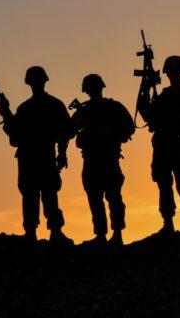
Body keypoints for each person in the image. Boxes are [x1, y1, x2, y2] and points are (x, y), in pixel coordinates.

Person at [2, 66, 73, 245]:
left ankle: (53, 232)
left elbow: (65, 132)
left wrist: (62, 153)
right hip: (30, 157)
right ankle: (33, 233)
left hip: (42, 155)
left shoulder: (50, 105)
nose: (36, 84)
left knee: (47, 194)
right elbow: (14, 135)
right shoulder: (27, 108)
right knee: (31, 195)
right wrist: (5, 111)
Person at [137, 56, 180, 233]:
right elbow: (147, 113)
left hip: (177, 141)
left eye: (176, 71)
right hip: (161, 143)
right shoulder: (162, 95)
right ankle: (168, 222)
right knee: (164, 184)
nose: (173, 75)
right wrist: (146, 87)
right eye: (171, 72)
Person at [70, 74, 134, 245]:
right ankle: (102, 235)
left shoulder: (113, 107)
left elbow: (129, 128)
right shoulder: (85, 110)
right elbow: (69, 130)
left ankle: (116, 234)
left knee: (111, 198)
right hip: (92, 159)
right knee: (96, 198)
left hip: (108, 157)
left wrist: (111, 133)